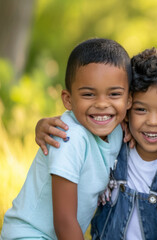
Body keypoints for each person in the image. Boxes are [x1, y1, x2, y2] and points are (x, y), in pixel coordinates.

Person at [1, 38, 132, 240]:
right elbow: (64, 220)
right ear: (68, 100)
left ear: (129, 99)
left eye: (114, 94)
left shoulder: (117, 130)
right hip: (30, 234)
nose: (102, 104)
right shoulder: (69, 137)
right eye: (89, 94)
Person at [90, 47, 157, 239]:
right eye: (141, 110)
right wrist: (42, 125)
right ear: (126, 109)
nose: (153, 122)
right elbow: (78, 124)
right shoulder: (111, 145)